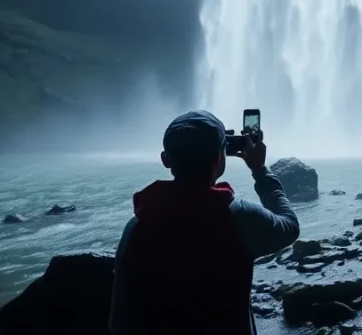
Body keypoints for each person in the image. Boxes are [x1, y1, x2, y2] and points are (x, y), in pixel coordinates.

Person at [109, 111, 300, 335]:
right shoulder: (238, 217)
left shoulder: (137, 225)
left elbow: (119, 322)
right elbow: (289, 226)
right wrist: (259, 169)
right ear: (220, 158)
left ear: (165, 160)